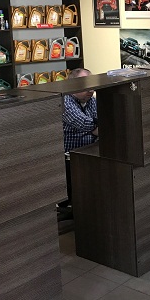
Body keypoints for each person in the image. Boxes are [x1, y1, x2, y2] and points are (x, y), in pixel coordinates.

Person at [59, 68, 98, 216]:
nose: (91, 90)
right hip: (70, 157)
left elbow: (101, 121)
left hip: (88, 152)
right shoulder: (64, 101)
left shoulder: (90, 100)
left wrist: (94, 128)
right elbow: (85, 123)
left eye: (92, 86)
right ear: (73, 86)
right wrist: (93, 130)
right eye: (86, 86)